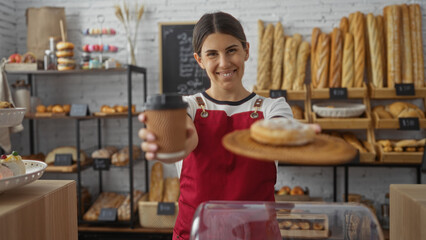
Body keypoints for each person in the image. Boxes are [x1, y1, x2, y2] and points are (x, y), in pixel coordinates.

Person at [139, 11, 315, 240]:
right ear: (199, 60)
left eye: (231, 50)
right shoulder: (188, 106)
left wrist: (293, 135)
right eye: (212, 54)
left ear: (246, 51)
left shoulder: (272, 108)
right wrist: (167, 144)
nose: (224, 63)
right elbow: (185, 138)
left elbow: (277, 131)